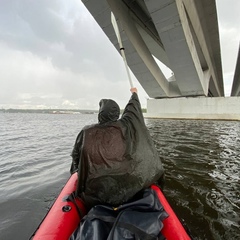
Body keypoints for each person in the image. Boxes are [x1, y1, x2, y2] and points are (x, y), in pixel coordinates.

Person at [70, 87, 164, 209]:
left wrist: (77, 172)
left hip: (96, 195)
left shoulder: (87, 132)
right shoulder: (126, 126)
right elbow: (132, 110)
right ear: (116, 114)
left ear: (100, 113)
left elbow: (75, 156)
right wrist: (134, 94)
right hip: (128, 190)